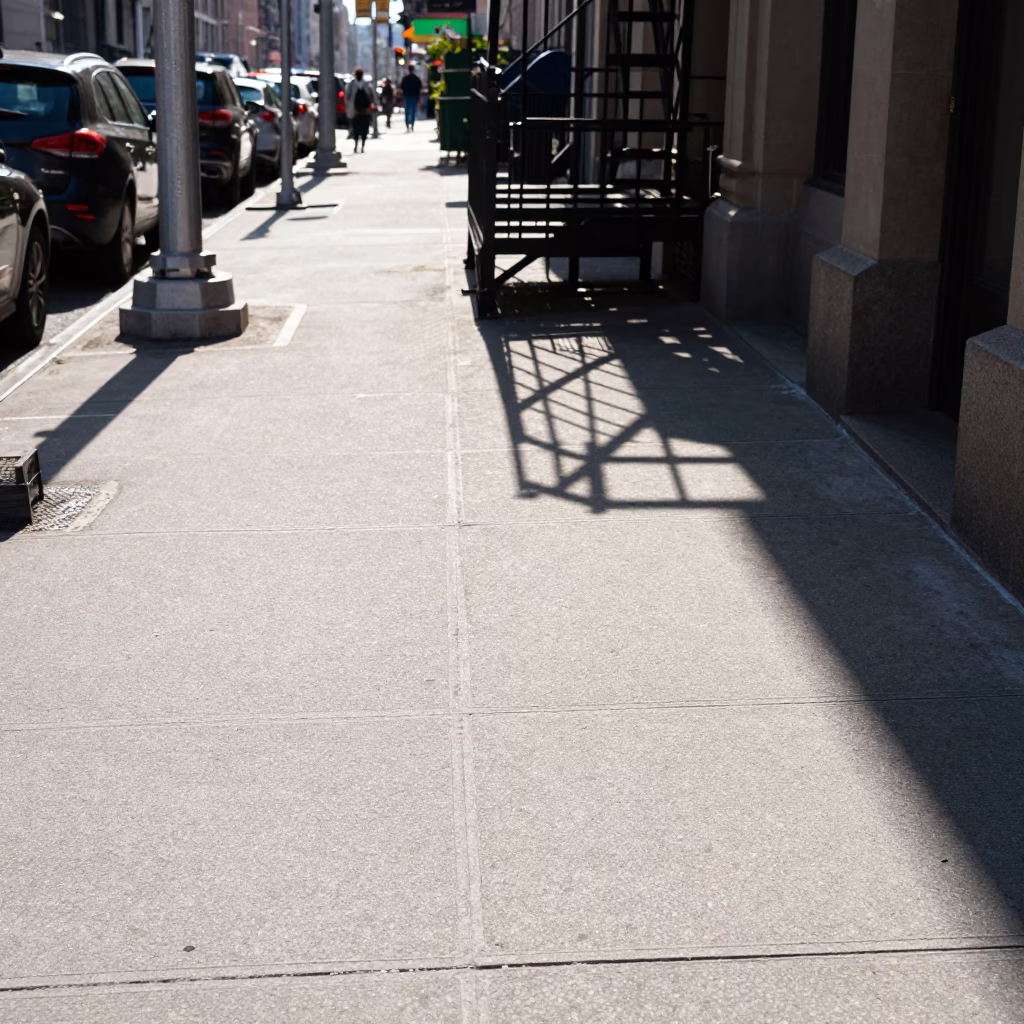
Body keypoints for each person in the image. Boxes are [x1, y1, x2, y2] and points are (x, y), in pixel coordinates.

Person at [344, 68, 377, 153]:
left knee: (364, 130)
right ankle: (356, 145)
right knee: (356, 130)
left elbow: (371, 97)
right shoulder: (351, 85)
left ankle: (362, 145)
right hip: (355, 112)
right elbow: (347, 98)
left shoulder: (366, 85)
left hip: (365, 112)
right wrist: (349, 108)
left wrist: (372, 106)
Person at [400, 66, 423, 131]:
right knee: (413, 111)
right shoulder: (416, 78)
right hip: (414, 97)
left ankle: (407, 124)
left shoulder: (405, 78)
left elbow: (402, 87)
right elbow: (419, 88)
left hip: (407, 97)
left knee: (407, 112)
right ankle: (412, 125)